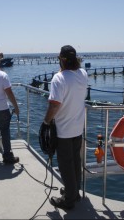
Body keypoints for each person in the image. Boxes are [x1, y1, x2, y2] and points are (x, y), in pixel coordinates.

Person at [43, 45, 88, 210]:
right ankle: (74, 192)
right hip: (78, 127)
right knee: (75, 162)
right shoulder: (83, 74)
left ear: (61, 59)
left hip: (63, 130)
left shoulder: (59, 78)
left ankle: (68, 200)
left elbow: (54, 105)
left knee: (65, 166)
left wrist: (46, 122)